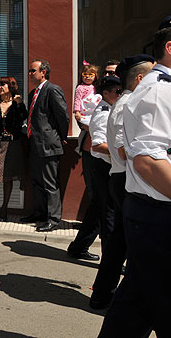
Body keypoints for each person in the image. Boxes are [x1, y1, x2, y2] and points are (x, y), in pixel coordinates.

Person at [97, 18, 171, 337]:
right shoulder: (157, 93)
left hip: (153, 213)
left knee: (134, 310)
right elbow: (146, 162)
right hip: (159, 215)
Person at [89, 54, 153, 310]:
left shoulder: (127, 103)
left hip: (123, 177)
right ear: (139, 79)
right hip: (126, 178)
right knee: (132, 244)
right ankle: (121, 300)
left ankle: (104, 294)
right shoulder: (128, 106)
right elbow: (124, 151)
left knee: (119, 244)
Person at [67, 75, 121, 260]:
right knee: (108, 215)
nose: (120, 94)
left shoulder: (111, 109)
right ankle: (110, 259)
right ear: (105, 93)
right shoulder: (104, 113)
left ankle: (78, 247)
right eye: (117, 91)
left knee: (98, 210)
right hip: (103, 167)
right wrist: (124, 153)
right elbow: (98, 145)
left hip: (104, 165)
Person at [20, 59, 69, 232]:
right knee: (37, 181)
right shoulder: (33, 93)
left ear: (44, 72)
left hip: (48, 144)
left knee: (50, 182)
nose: (30, 74)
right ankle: (39, 213)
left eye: (33, 71)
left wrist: (60, 136)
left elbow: (63, 116)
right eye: (30, 71)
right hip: (34, 144)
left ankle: (53, 218)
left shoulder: (52, 90)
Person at [0, 76, 27, 222]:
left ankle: (5, 208)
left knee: (8, 177)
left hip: (12, 144)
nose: (0, 88)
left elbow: (24, 118)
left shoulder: (17, 104)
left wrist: (19, 104)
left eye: (3, 85)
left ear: (11, 87)